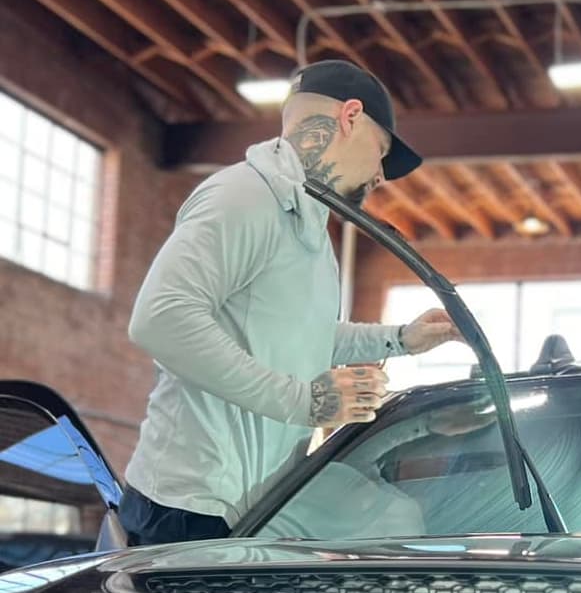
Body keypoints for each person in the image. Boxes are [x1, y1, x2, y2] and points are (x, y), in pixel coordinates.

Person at [119, 59, 460, 547]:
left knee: (391, 520)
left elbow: (305, 334)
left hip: (255, 506)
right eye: (381, 151)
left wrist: (400, 339)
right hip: (188, 508)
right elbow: (161, 318)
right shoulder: (244, 195)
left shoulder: (310, 231)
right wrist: (305, 401)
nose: (381, 176)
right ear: (350, 116)